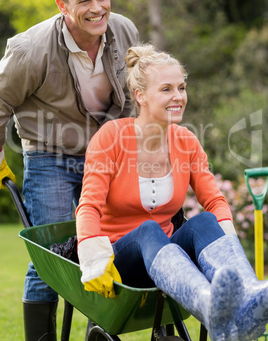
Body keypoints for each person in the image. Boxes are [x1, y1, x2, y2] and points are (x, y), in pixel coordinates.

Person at [76, 44, 268, 341]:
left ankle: (248, 295)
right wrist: (92, 257)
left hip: (167, 262)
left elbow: (215, 200)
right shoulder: (112, 138)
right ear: (140, 96)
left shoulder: (186, 141)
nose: (178, 96)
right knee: (148, 228)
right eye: (166, 89)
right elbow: (89, 206)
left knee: (204, 221)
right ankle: (208, 303)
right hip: (120, 262)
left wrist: (227, 245)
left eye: (181, 87)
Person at [0, 0, 139, 340]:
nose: (97, 8)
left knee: (105, 245)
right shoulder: (30, 48)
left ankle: (100, 330)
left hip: (105, 154)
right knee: (53, 255)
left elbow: (132, 94)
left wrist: (126, 145)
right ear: (63, 5)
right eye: (84, 1)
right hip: (49, 154)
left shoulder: (124, 31)